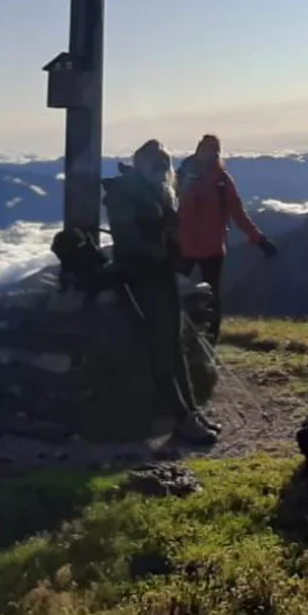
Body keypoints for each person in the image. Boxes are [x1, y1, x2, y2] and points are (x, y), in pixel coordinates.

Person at [102, 139, 218, 446]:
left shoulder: (152, 193)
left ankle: (191, 412)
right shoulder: (123, 194)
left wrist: (172, 241)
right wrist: (164, 245)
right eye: (156, 163)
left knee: (175, 347)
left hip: (160, 274)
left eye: (165, 164)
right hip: (142, 277)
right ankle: (181, 419)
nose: (162, 170)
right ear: (140, 163)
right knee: (163, 350)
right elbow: (128, 241)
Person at [177, 133, 277, 337]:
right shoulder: (181, 176)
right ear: (199, 149)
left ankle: (210, 337)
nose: (209, 153)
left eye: (214, 149)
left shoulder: (222, 181)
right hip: (184, 245)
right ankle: (178, 333)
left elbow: (238, 214)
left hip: (210, 248)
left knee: (211, 297)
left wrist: (259, 239)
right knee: (175, 292)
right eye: (206, 148)